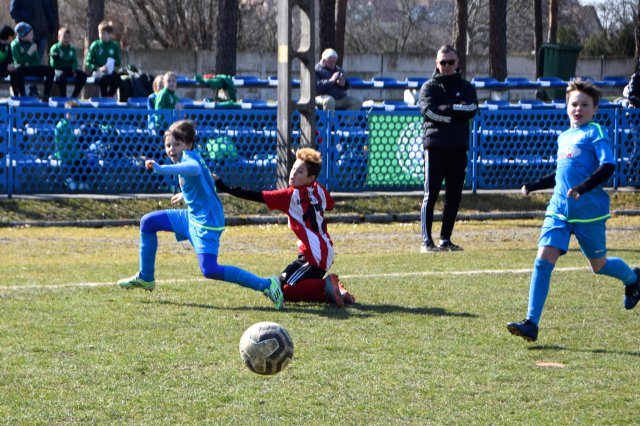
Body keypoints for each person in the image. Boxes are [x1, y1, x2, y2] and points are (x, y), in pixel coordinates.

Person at [507, 79, 640, 342]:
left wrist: (583, 187)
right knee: (543, 260)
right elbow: (559, 174)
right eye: (573, 104)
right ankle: (531, 323)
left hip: (589, 211)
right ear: (567, 107)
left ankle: (633, 279)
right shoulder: (564, 136)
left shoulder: (596, 133)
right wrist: (533, 186)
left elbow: (609, 166)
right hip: (559, 209)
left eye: (584, 104)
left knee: (599, 266)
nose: (578, 109)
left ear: (595, 108)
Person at [116, 120, 285, 310]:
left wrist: (161, 169)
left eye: (177, 144)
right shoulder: (189, 158)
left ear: (188, 144)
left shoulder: (190, 159)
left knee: (210, 270)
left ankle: (267, 284)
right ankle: (146, 277)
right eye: (168, 145)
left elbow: (195, 169)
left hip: (207, 222)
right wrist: (186, 194)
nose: (172, 149)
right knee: (148, 222)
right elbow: (206, 176)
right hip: (191, 216)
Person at [212, 147, 355, 307]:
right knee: (279, 285)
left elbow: (253, 194)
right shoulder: (318, 189)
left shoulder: (290, 196)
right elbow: (330, 204)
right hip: (321, 250)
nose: (293, 173)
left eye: (300, 172)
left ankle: (326, 286)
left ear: (310, 178)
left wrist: (222, 186)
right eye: (293, 168)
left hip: (314, 255)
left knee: (283, 291)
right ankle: (337, 292)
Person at [418, 45, 478, 253]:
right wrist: (454, 112)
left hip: (458, 147)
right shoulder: (428, 87)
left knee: (454, 195)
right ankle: (427, 241)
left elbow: (472, 109)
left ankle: (445, 238)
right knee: (430, 194)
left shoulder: (467, 87)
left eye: (450, 62)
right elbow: (429, 113)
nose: (446, 66)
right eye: (443, 62)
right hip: (434, 147)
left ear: (457, 63)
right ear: (436, 63)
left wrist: (448, 108)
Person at [10, 21, 54, 99]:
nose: (32, 35)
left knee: (50, 70)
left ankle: (46, 96)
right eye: (30, 34)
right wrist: (29, 53)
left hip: (29, 67)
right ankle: (22, 94)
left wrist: (27, 62)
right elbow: (18, 61)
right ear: (23, 34)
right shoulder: (14, 45)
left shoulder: (31, 43)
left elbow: (36, 60)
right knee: (18, 70)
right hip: (20, 69)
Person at [85, 20, 121, 98]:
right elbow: (88, 62)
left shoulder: (114, 46)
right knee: (104, 79)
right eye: (100, 33)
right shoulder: (95, 45)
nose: (101, 35)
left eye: (104, 33)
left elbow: (118, 62)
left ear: (110, 34)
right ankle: (104, 98)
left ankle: (109, 96)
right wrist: (98, 68)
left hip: (109, 72)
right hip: (98, 72)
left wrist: (112, 63)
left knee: (118, 78)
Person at [49, 27, 87, 98]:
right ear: (58, 38)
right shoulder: (55, 48)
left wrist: (74, 70)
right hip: (59, 69)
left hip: (69, 69)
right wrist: (55, 59)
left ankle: (74, 96)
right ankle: (64, 97)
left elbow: (74, 61)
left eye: (68, 37)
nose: (66, 39)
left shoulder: (72, 49)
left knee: (83, 76)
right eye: (64, 37)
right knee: (62, 77)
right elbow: (53, 64)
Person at [0, 25, 22, 97]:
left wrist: (13, 65)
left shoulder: (7, 46)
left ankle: (17, 93)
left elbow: (10, 59)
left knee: (15, 72)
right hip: (2, 68)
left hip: (3, 70)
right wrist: (6, 66)